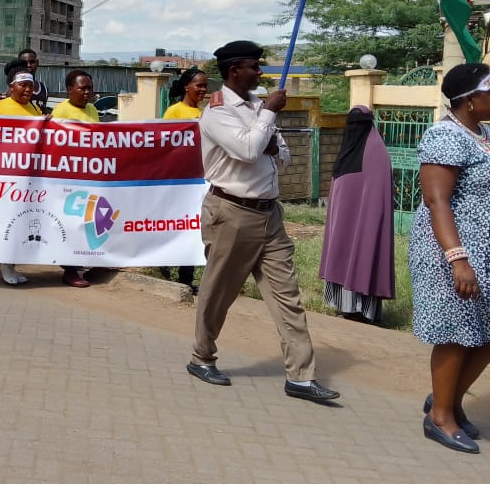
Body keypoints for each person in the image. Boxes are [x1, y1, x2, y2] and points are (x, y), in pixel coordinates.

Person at [186, 40, 338, 402]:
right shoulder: (217, 111)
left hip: (270, 215)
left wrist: (268, 130)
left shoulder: (257, 107)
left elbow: (281, 155)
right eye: (254, 67)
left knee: (287, 296)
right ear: (234, 70)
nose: (260, 73)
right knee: (219, 292)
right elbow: (248, 150)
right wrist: (268, 116)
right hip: (231, 213)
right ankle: (201, 357)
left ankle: (300, 376)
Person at [411, 63, 490, 454]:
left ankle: (451, 401)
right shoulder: (443, 136)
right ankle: (440, 417)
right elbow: (436, 200)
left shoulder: (483, 134)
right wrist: (458, 259)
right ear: (471, 101)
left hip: (484, 249)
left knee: (485, 332)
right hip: (450, 248)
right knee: (457, 331)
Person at [319, 106, 394, 324]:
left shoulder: (376, 151)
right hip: (343, 221)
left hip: (367, 223)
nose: (355, 130)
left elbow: (377, 193)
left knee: (363, 252)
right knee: (342, 251)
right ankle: (344, 305)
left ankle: (363, 309)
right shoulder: (347, 152)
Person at [0, 71, 43, 285]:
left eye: (31, 86)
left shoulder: (34, 108)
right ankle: (5, 264)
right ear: (11, 87)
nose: (28, 89)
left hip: (28, 176)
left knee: (22, 222)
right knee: (7, 220)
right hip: (6, 175)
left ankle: (12, 264)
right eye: (24, 86)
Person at [49, 69, 102, 289]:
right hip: (66, 179)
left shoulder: (92, 110)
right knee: (70, 224)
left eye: (89, 88)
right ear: (69, 89)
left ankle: (84, 264)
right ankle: (70, 271)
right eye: (82, 88)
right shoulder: (61, 111)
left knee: (86, 222)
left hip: (88, 177)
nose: (87, 92)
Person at [159, 67, 209, 293]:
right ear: (186, 87)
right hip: (179, 180)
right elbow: (165, 144)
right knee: (175, 226)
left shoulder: (205, 113)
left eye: (205, 86)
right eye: (199, 85)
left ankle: (186, 277)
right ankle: (163, 268)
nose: (203, 90)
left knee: (193, 229)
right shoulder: (174, 112)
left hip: (200, 180)